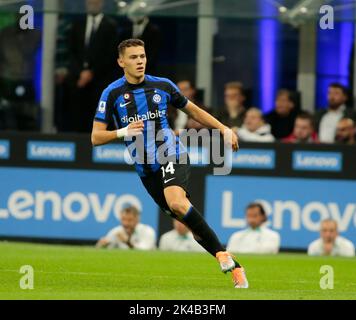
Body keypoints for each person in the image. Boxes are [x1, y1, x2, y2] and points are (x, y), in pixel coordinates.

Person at [91, 39, 248, 288]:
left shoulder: (162, 86)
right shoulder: (112, 93)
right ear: (121, 62)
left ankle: (222, 256)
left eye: (142, 56)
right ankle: (235, 266)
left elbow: (193, 111)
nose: (140, 61)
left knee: (177, 202)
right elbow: (96, 137)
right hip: (145, 169)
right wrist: (123, 132)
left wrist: (223, 128)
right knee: (188, 221)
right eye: (133, 57)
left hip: (171, 153)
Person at [66, 0, 119, 132]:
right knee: (77, 119)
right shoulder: (77, 25)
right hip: (79, 82)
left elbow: (111, 55)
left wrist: (92, 72)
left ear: (102, 3)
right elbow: (71, 52)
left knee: (98, 120)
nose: (92, 3)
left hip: (100, 83)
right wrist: (81, 72)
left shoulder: (111, 26)